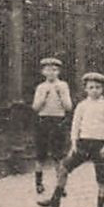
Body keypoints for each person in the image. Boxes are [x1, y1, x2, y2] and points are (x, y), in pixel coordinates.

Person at [40, 70, 104, 207]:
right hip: (83, 143)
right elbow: (75, 125)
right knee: (64, 167)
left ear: (102, 89)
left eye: (97, 87)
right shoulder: (82, 105)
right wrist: (74, 143)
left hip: (100, 144)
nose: (94, 90)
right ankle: (55, 199)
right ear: (86, 89)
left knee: (101, 179)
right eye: (91, 87)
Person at [30, 56, 73, 198]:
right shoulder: (41, 87)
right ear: (43, 72)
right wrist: (44, 97)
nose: (51, 73)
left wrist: (60, 95)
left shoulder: (63, 86)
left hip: (58, 121)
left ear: (58, 72)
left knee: (58, 155)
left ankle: (60, 185)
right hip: (43, 120)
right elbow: (35, 107)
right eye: (48, 70)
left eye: (54, 70)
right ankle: (38, 183)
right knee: (40, 154)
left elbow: (68, 106)